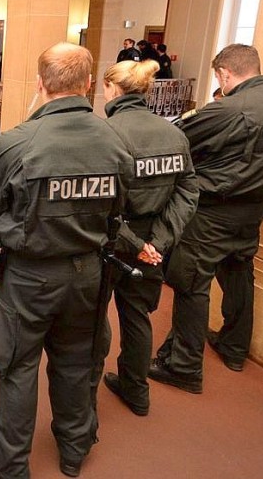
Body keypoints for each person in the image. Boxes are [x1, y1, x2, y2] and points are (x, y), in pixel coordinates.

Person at [0, 43, 132, 479]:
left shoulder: (19, 142)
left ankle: (8, 461)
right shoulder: (115, 138)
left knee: (18, 364)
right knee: (78, 360)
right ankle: (74, 450)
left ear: (40, 84)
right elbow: (123, 203)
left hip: (31, 276)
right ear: (90, 85)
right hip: (89, 274)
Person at [151, 44, 263, 387]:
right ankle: (233, 348)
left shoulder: (228, 110)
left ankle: (183, 366)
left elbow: (179, 141)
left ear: (224, 74)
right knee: (238, 275)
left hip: (213, 210)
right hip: (254, 210)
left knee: (191, 282)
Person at [97, 60, 198, 417]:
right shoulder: (174, 133)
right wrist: (157, 242)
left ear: (113, 89)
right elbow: (187, 191)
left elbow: (100, 204)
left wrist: (136, 244)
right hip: (153, 243)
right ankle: (136, 391)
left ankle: (83, 400)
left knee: (95, 318)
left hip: (112, 242)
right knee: (137, 316)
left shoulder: (106, 133)